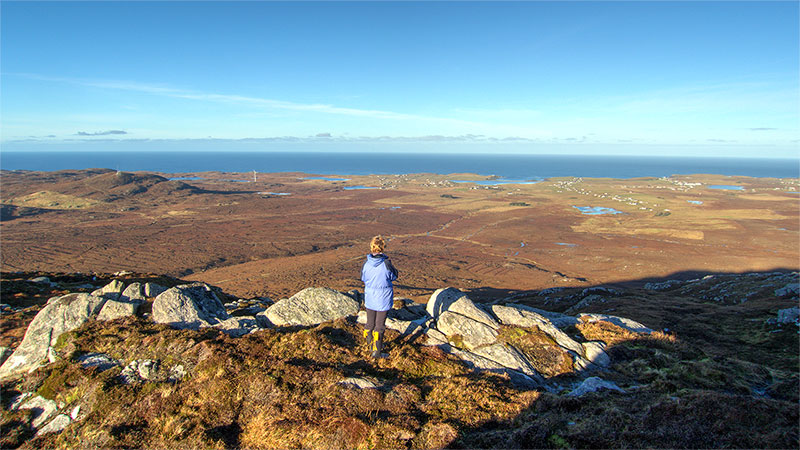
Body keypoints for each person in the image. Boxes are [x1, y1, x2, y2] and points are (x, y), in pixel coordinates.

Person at [361, 235, 398, 358]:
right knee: (380, 326)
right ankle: (377, 353)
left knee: (369, 324)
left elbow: (363, 278)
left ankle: (370, 346)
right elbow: (394, 276)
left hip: (370, 298)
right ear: (383, 247)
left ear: (372, 247)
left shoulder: (366, 264)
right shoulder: (386, 263)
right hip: (383, 299)